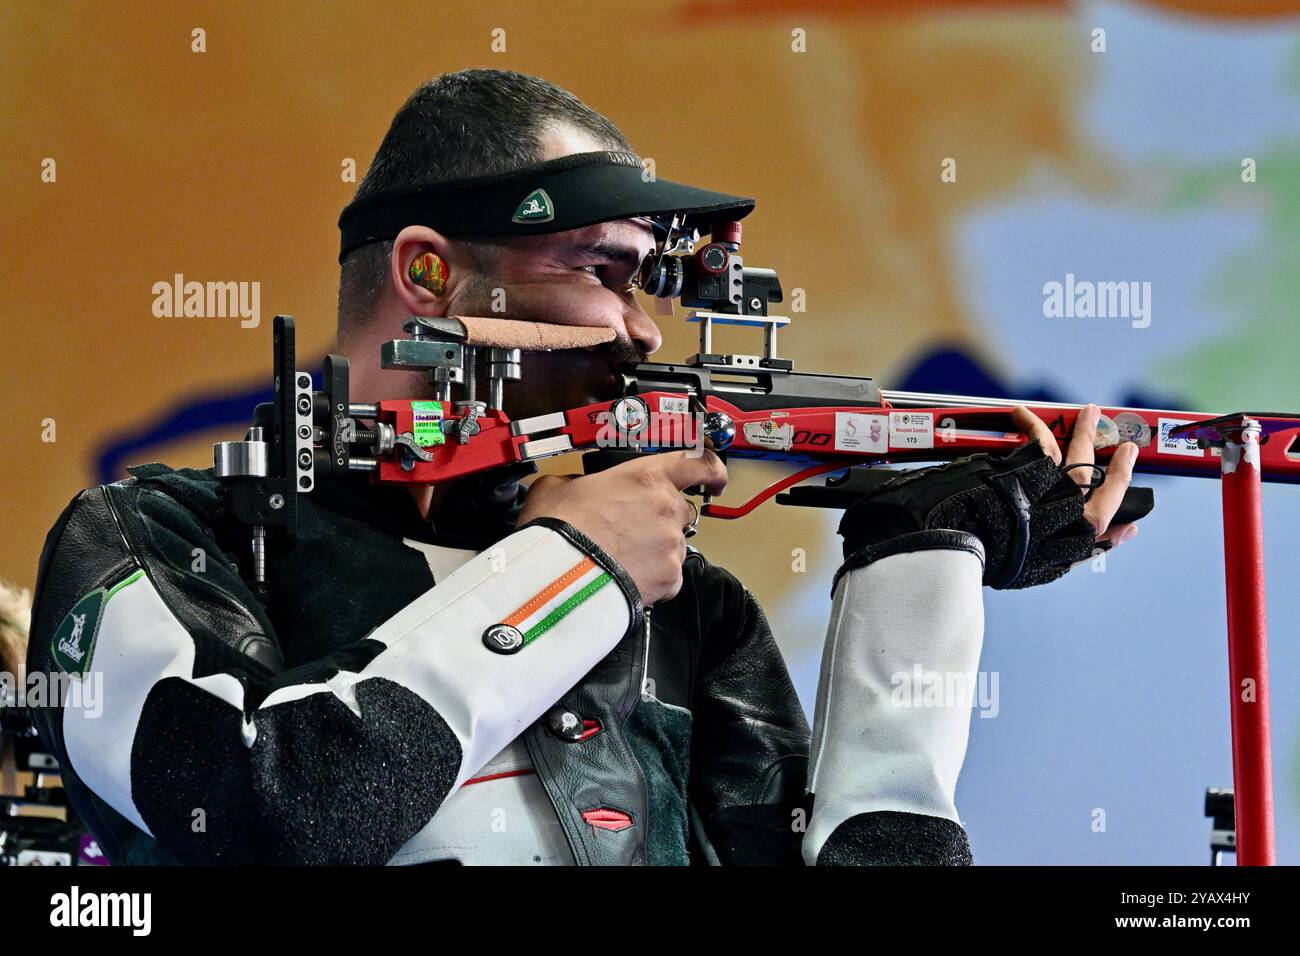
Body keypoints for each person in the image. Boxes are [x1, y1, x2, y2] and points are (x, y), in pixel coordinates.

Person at [25, 69, 1139, 865]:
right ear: (429, 275)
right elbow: (266, 806)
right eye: (604, 270)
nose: (645, 331)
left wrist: (916, 574)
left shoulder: (692, 610)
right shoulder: (162, 536)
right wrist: (572, 569)